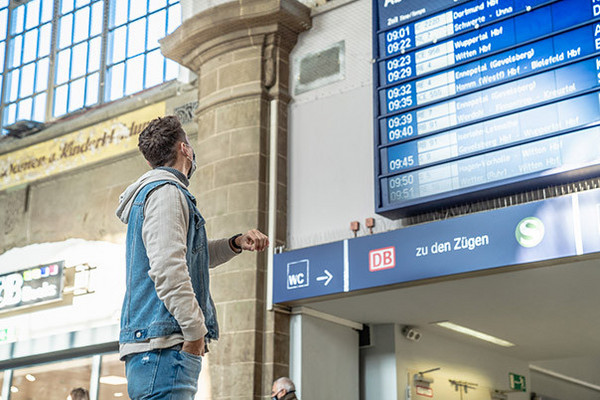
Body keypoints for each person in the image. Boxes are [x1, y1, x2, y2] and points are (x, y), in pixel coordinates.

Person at [116, 115, 269, 399]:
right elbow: (168, 269)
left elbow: (187, 257)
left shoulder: (163, 194)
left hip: (159, 350)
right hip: (164, 349)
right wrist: (195, 333)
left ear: (150, 161)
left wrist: (234, 243)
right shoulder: (166, 194)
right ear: (185, 149)